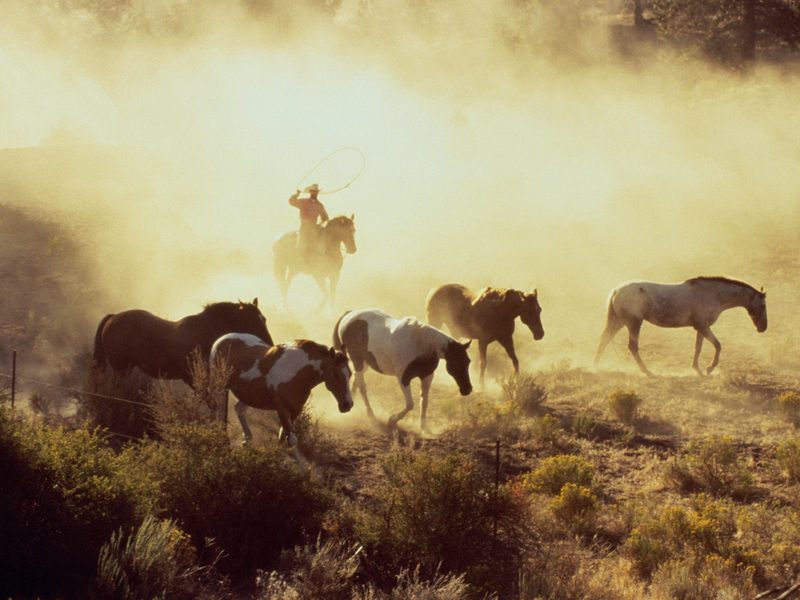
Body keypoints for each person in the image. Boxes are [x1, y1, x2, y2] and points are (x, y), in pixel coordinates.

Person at [289, 183, 329, 264]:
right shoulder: (303, 202)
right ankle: (301, 262)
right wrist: (296, 194)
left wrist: (320, 225)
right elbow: (292, 202)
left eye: (316, 191)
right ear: (310, 192)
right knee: (301, 245)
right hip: (304, 227)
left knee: (323, 242)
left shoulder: (320, 205)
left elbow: (325, 218)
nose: (315, 193)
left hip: (314, 227)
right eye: (313, 191)